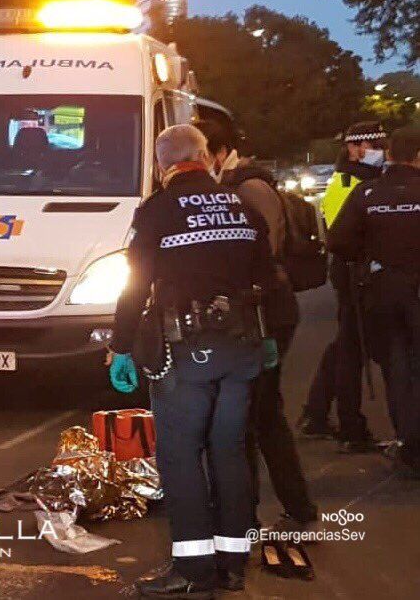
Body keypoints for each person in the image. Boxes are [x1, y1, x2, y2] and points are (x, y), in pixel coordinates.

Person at [108, 124, 277, 598]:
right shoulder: (241, 206)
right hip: (242, 350)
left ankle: (193, 569)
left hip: (185, 355)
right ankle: (234, 563)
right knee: (230, 452)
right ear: (206, 157)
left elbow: (135, 284)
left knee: (181, 457)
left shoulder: (158, 211)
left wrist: (121, 346)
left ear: (162, 166)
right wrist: (268, 339)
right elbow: (269, 276)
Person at [196, 119, 318, 533]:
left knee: (255, 414)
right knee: (260, 413)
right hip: (260, 314)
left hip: (268, 316)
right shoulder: (236, 184)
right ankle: (282, 510)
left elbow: (259, 255)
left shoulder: (249, 188)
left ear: (217, 151)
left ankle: (250, 515)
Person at [327, 126, 420, 478]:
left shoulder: (366, 193)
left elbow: (338, 242)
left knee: (396, 369)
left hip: (381, 293)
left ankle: (409, 445)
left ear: (391, 154)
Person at [300, 121, 388, 451]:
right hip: (354, 273)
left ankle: (317, 412)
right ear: (348, 149)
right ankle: (350, 424)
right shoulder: (343, 182)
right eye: (358, 145)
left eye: (373, 143)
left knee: (347, 344)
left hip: (370, 273)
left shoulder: (377, 177)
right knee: (353, 349)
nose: (365, 150)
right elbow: (343, 236)